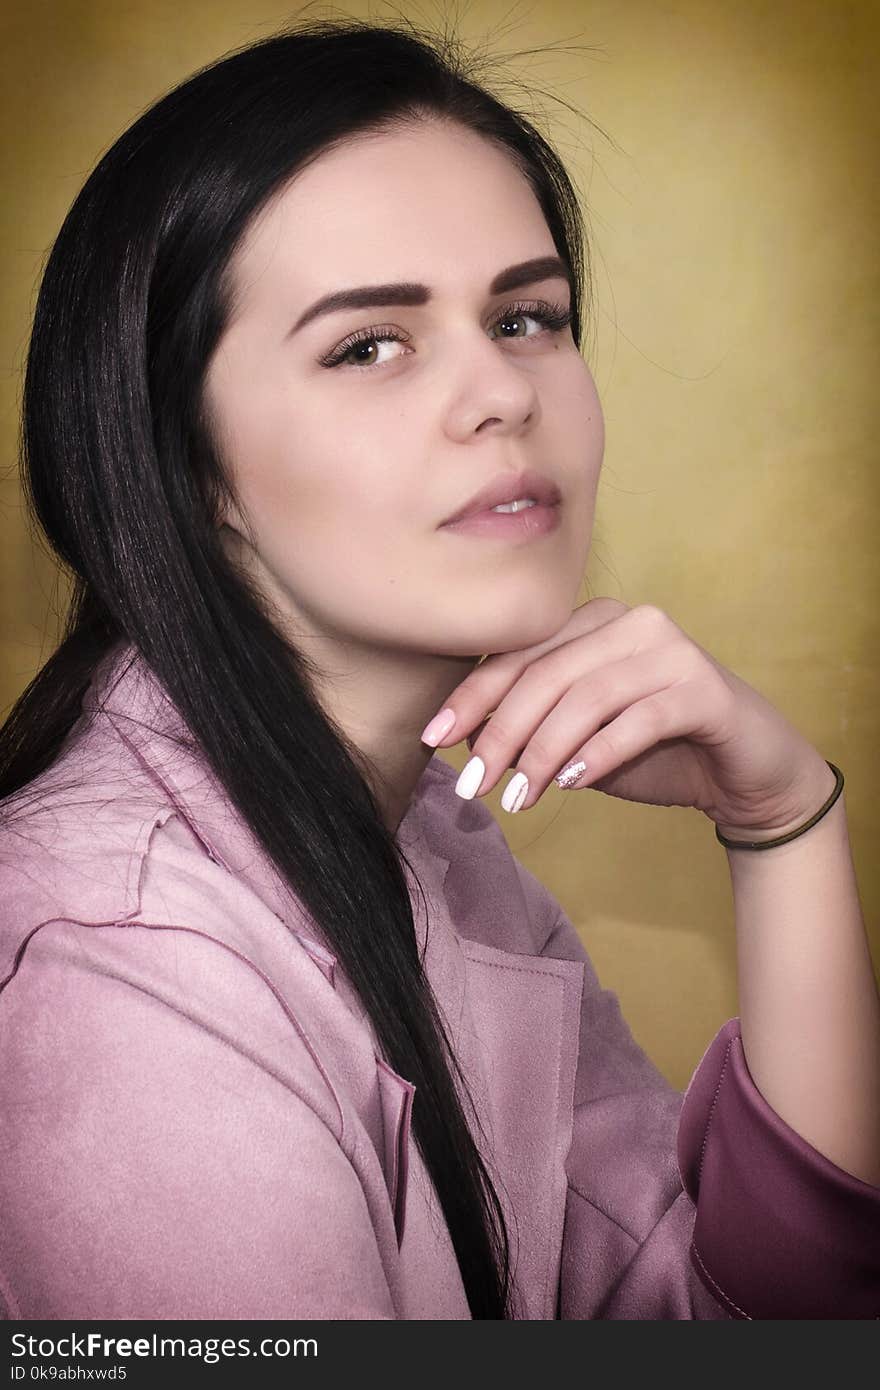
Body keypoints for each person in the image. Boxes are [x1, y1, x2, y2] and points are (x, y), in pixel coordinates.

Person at [0, 15, 878, 1322]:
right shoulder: (121, 966)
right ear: (184, 462)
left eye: (527, 317)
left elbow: (740, 1314)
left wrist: (783, 817)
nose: (502, 393)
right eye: (370, 343)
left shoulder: (441, 844)